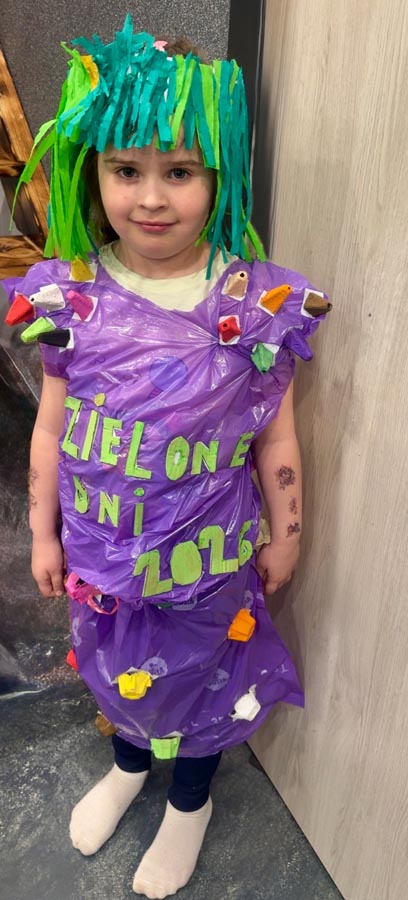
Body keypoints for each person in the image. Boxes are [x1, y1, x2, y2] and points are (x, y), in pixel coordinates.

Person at [3, 16, 330, 900]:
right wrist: (43, 533)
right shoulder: (71, 296)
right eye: (126, 170)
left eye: (179, 172)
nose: (151, 198)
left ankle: (191, 801)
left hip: (208, 561)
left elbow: (276, 436)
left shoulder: (252, 304)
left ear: (218, 175)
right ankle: (128, 766)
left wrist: (289, 533)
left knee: (205, 680)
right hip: (104, 557)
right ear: (96, 172)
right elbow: (50, 430)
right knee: (117, 668)